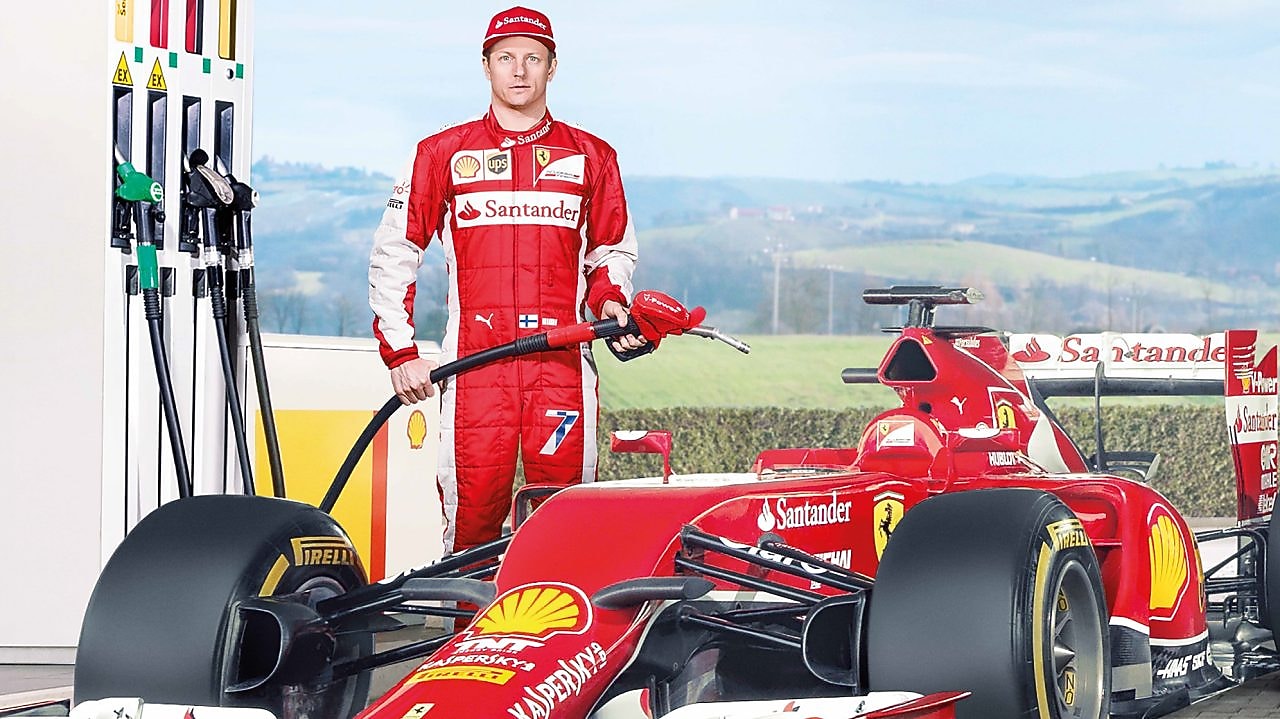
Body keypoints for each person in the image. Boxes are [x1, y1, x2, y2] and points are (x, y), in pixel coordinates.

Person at [369, 6, 643, 555]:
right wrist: (401, 352)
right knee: (469, 528)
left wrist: (612, 302)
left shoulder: (593, 156)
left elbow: (609, 251)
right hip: (476, 369)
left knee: (566, 522)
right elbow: (395, 252)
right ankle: (461, 638)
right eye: (506, 59)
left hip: (561, 364)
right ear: (487, 67)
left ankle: (564, 638)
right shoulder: (441, 152)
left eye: (533, 58)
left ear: (552, 66)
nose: (519, 71)